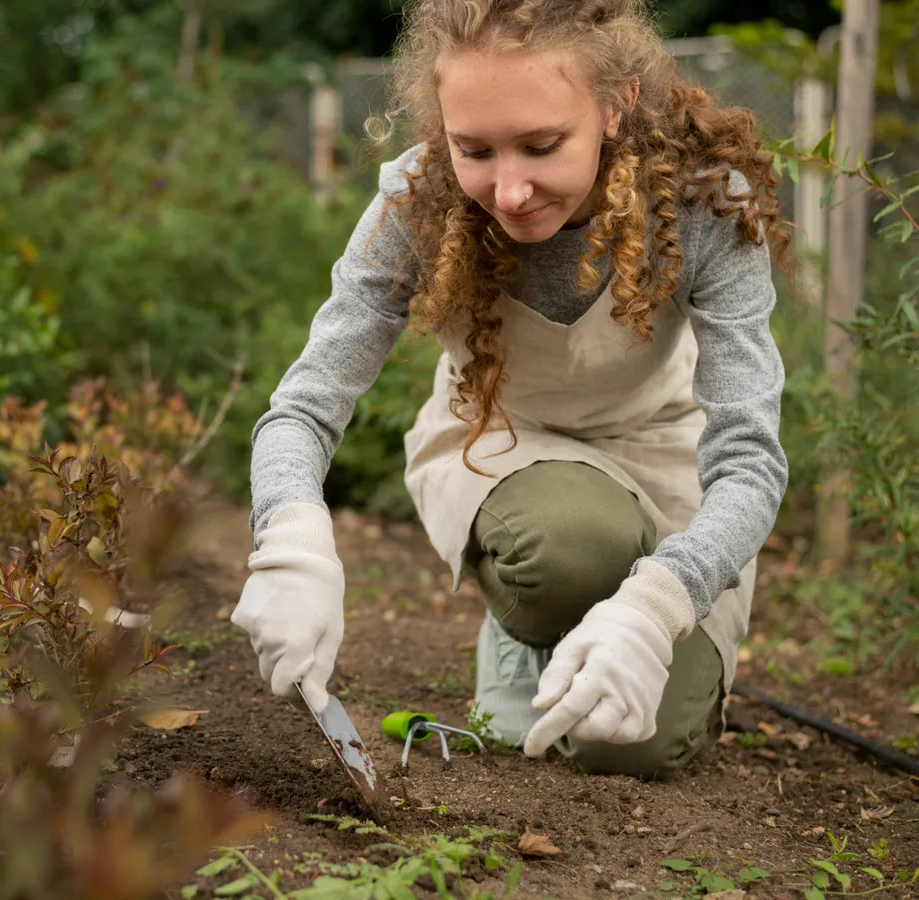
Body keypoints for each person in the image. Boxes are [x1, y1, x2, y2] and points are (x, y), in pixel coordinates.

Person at [230, 0, 792, 780]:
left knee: (630, 749)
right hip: (505, 444)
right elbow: (304, 405)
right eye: (476, 150)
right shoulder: (415, 200)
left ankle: (608, 627)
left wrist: (656, 608)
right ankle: (533, 626)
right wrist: (290, 535)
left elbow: (750, 463)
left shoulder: (703, 205)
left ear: (615, 104)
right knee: (570, 546)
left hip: (666, 452)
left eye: (540, 145)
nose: (511, 190)